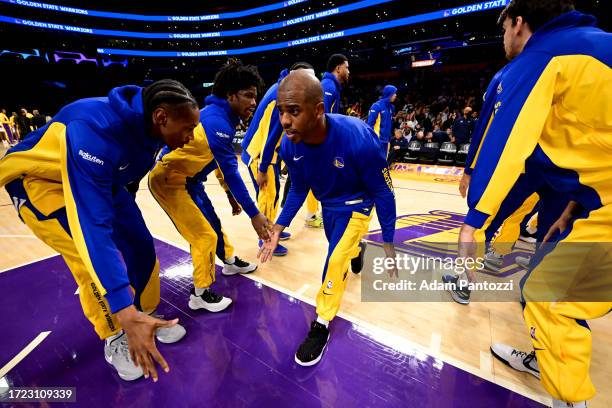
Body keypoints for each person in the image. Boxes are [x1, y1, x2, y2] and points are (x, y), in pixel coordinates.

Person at [458, 1, 611, 406]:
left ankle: (569, 399)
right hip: (596, 203)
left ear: (518, 22)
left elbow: (507, 140)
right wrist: (574, 208)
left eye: (504, 26)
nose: (503, 37)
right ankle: (546, 358)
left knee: (547, 294)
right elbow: (599, 151)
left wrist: (474, 220)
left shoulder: (544, 56)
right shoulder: (588, 46)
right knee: (546, 282)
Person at [0, 80, 200, 381]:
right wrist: (121, 306)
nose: (191, 137)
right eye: (188, 129)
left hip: (100, 179)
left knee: (139, 243)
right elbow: (93, 226)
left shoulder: (152, 131)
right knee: (86, 256)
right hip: (39, 182)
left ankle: (144, 315)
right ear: (161, 117)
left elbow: (127, 182)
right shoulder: (94, 129)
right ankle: (117, 334)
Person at [259, 70, 397, 366]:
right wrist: (277, 228)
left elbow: (385, 193)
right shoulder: (289, 144)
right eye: (282, 111)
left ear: (318, 110)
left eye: (293, 111)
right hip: (330, 207)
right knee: (342, 250)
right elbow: (297, 189)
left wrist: (388, 243)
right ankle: (357, 249)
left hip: (358, 205)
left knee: (334, 262)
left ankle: (321, 322)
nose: (284, 120)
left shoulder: (358, 137)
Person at [149, 60, 269, 313]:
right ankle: (199, 294)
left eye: (254, 96)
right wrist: (254, 214)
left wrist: (229, 196)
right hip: (169, 181)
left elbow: (215, 162)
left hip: (190, 181)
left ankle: (228, 261)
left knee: (213, 224)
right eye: (248, 95)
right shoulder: (218, 123)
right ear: (230, 95)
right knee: (203, 235)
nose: (253, 103)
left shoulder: (222, 117)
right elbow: (231, 171)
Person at [241, 62, 316, 257]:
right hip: (261, 153)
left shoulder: (281, 87)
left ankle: (273, 228)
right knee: (269, 196)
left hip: (261, 151)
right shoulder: (282, 97)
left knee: (270, 195)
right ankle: (266, 239)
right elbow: (272, 137)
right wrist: (263, 168)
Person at [299, 53, 351, 229]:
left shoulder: (331, 85)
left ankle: (316, 213)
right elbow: (321, 116)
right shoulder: (327, 86)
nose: (348, 71)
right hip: (318, 142)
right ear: (338, 68)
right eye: (347, 67)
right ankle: (313, 215)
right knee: (317, 178)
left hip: (320, 140)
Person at [367, 85, 397, 157]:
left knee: (384, 164)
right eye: (394, 93)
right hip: (377, 141)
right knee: (375, 163)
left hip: (386, 142)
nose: (396, 95)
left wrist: (389, 139)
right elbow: (369, 125)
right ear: (389, 94)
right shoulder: (376, 106)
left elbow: (389, 123)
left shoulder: (392, 107)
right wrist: (371, 140)